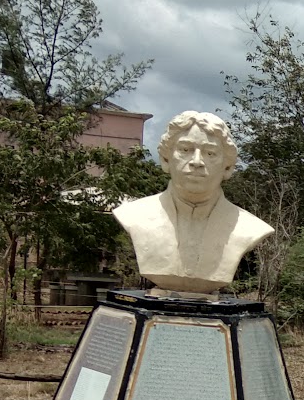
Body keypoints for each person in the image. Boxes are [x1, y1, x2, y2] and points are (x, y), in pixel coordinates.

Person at [113, 111, 273, 295]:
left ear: (227, 168)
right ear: (165, 160)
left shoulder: (250, 228)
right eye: (185, 150)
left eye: (210, 153)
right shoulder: (133, 215)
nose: (197, 162)